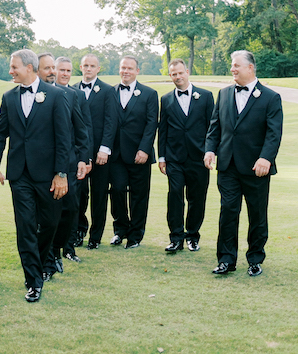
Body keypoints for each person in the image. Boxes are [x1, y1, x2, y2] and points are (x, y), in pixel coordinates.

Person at [0, 49, 72, 303]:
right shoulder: (8, 97)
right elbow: (0, 134)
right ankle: (33, 280)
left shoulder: (56, 96)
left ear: (29, 67)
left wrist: (61, 174)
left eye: (14, 67)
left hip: (49, 175)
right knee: (25, 227)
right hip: (19, 175)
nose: (11, 71)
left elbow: (64, 139)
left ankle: (44, 260)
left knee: (49, 224)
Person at [204, 50, 283, 277]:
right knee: (228, 211)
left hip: (256, 168)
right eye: (232, 65)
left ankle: (255, 259)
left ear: (250, 68)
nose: (232, 69)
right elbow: (215, 127)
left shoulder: (270, 97)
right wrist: (210, 150)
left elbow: (273, 133)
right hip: (227, 166)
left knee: (257, 214)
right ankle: (226, 260)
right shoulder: (225, 93)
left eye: (236, 65)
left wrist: (266, 157)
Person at [37, 54, 90, 281]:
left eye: (68, 71)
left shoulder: (73, 95)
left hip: (68, 162)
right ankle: (50, 256)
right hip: (43, 165)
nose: (63, 74)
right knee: (49, 214)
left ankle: (61, 248)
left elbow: (82, 129)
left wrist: (82, 158)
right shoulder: (39, 94)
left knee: (70, 209)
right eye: (59, 70)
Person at [158, 58, 213, 253]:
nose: (178, 77)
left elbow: (212, 128)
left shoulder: (206, 97)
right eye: (174, 74)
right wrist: (161, 157)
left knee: (197, 198)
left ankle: (192, 236)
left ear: (187, 71)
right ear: (170, 76)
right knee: (174, 196)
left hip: (199, 158)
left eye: (180, 73)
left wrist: (210, 151)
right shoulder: (165, 100)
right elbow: (162, 129)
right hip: (174, 158)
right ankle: (175, 238)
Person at [109, 56, 158, 249]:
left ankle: (136, 235)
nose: (126, 71)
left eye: (130, 68)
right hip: (117, 154)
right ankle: (120, 230)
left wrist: (144, 148)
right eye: (123, 68)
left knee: (139, 195)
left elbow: (151, 123)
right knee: (117, 191)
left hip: (140, 154)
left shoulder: (149, 93)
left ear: (137, 71)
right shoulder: (110, 92)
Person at [73, 54, 117, 250]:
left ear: (98, 69)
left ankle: (96, 236)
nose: (89, 69)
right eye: (86, 66)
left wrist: (104, 149)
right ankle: (79, 231)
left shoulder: (108, 91)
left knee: (99, 195)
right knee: (79, 195)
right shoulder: (72, 89)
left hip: (100, 152)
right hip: (78, 153)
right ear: (80, 67)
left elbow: (111, 121)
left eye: (93, 66)